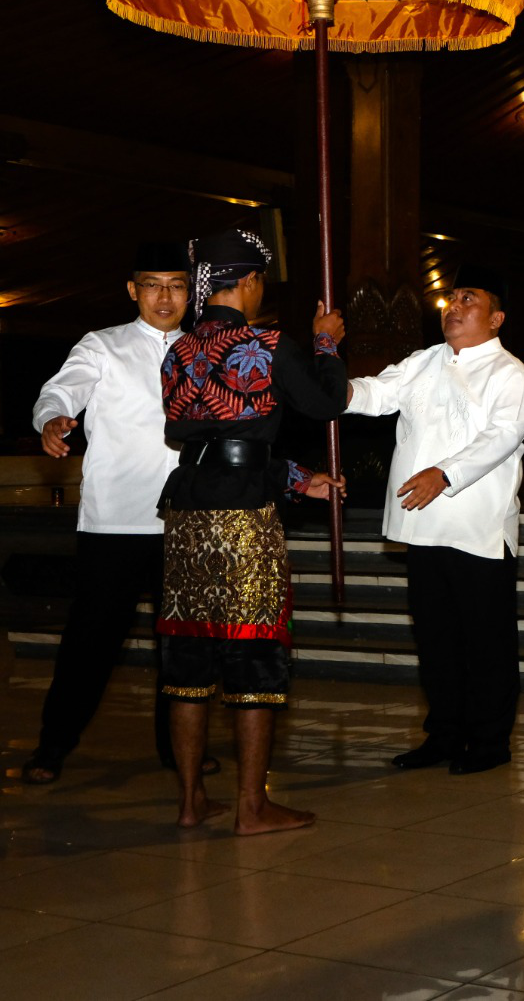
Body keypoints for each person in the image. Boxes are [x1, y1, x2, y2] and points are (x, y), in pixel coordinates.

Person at [158, 228, 346, 834]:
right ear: (249, 281)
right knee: (253, 649)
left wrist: (298, 478)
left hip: (186, 516)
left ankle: (190, 804)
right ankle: (252, 807)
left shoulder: (178, 351)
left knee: (187, 656)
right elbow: (327, 403)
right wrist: (326, 343)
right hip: (243, 521)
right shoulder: (267, 344)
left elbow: (214, 442)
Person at [20, 243, 218, 785]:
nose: (164, 296)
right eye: (153, 284)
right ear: (133, 291)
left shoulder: (208, 352)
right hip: (115, 524)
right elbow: (60, 391)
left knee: (182, 647)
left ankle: (180, 750)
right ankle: (51, 747)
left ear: (189, 293)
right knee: (90, 642)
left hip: (186, 521)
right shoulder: (103, 345)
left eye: (176, 285)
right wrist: (54, 419)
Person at [346, 264, 524, 776]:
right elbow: (375, 395)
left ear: (496, 318)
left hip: (476, 529)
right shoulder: (425, 361)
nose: (453, 307)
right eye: (450, 298)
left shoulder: (510, 374)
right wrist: (330, 382)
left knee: (486, 642)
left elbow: (501, 438)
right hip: (422, 528)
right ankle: (444, 736)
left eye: (468, 299)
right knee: (436, 641)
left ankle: (491, 742)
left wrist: (444, 475)